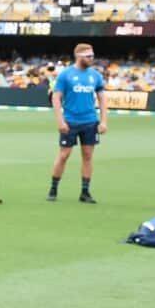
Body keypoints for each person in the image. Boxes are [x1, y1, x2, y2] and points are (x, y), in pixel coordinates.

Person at [48, 43, 108, 203]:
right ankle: (53, 188)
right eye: (88, 56)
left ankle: (85, 192)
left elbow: (102, 98)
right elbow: (56, 97)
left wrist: (103, 121)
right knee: (64, 155)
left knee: (88, 156)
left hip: (89, 121)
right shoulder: (66, 75)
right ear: (79, 56)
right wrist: (60, 120)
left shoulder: (95, 76)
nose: (91, 59)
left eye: (92, 56)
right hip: (70, 121)